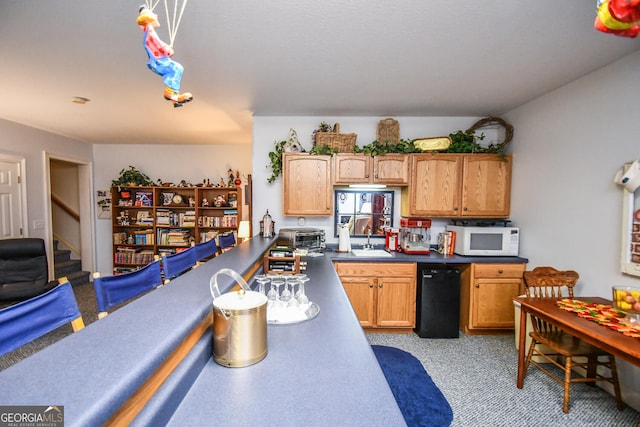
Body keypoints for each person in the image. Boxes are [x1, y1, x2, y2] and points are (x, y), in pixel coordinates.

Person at [136, 5, 193, 106]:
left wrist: (167, 48)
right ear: (149, 19)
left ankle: (175, 99)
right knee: (177, 68)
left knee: (175, 70)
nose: (157, 16)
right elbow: (158, 45)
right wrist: (168, 50)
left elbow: (158, 44)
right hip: (159, 61)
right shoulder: (150, 32)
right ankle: (169, 93)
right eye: (154, 15)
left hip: (160, 61)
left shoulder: (148, 31)